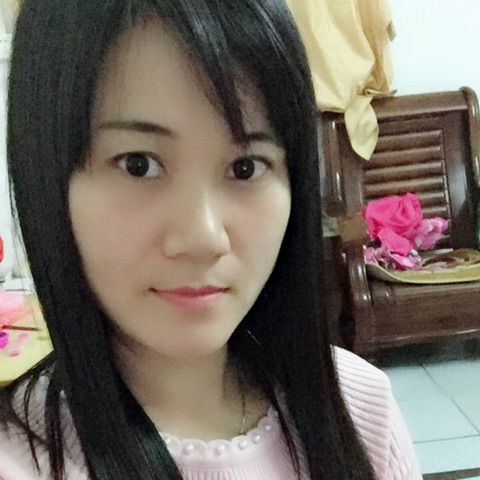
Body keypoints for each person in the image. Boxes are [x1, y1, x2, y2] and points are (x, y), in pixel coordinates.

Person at [0, 1, 422, 479]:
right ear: (47, 178)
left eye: (245, 167)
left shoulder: (361, 410)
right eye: (138, 164)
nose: (202, 238)